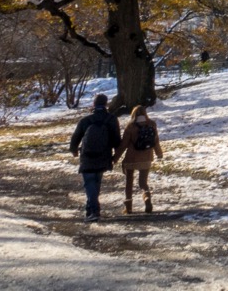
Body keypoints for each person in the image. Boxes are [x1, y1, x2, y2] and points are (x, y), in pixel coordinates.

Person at [69, 93, 121, 222]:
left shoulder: (86, 120)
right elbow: (116, 140)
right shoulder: (111, 119)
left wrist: (74, 150)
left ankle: (93, 211)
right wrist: (115, 156)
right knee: (96, 183)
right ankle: (91, 210)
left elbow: (75, 138)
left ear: (94, 104)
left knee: (90, 183)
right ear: (106, 104)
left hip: (87, 157)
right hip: (103, 156)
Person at [115, 103, 164, 215]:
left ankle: (129, 207)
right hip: (147, 157)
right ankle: (146, 197)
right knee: (143, 182)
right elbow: (156, 141)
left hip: (131, 158)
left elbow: (124, 144)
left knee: (129, 182)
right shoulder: (152, 124)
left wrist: (115, 158)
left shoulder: (131, 126)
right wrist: (159, 153)